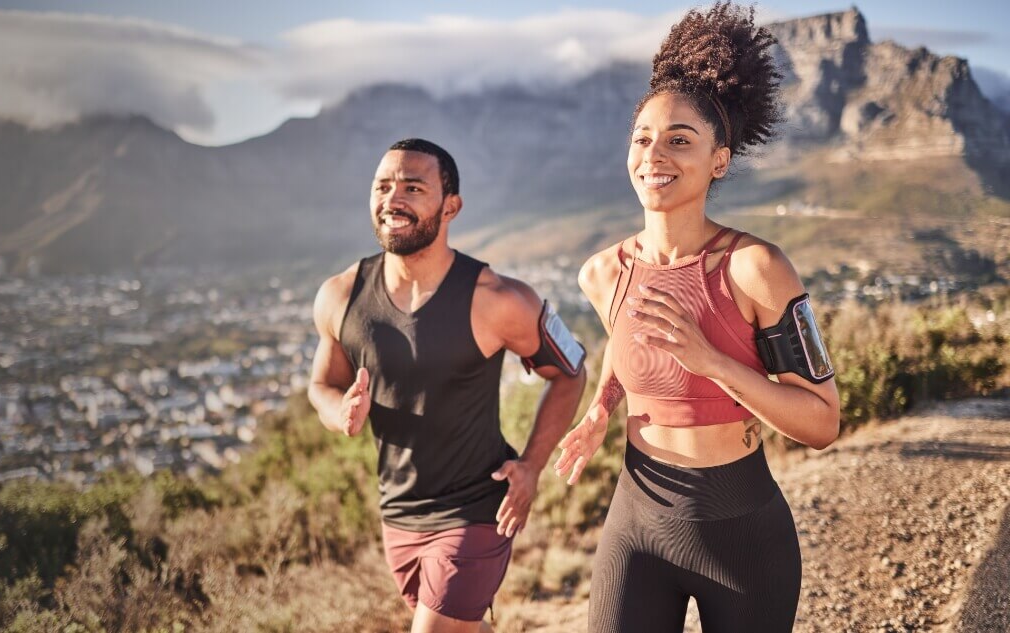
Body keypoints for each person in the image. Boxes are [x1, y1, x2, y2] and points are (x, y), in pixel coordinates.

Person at [554, 3, 842, 632]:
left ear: (719, 159)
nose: (654, 154)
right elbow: (625, 341)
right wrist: (601, 408)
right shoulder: (605, 273)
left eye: (679, 139)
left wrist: (710, 363)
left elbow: (822, 422)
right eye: (643, 138)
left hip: (740, 536)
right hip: (636, 522)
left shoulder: (756, 268)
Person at [308, 138, 587, 632]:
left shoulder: (499, 299)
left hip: (478, 508)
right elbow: (322, 384)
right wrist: (340, 414)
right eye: (383, 186)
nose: (393, 199)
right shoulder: (340, 295)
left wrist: (531, 466)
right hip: (398, 513)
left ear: (450, 206)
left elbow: (569, 373)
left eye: (413, 187)